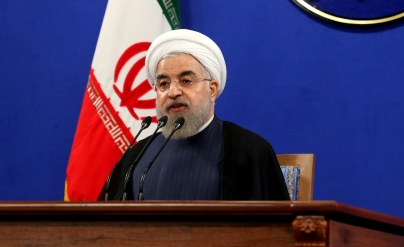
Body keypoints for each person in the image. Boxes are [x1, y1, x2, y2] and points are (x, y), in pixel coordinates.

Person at [100, 28, 290, 201]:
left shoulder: (250, 151)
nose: (173, 92)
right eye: (164, 84)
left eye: (186, 81)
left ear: (212, 90)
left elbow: (274, 225)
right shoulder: (137, 155)